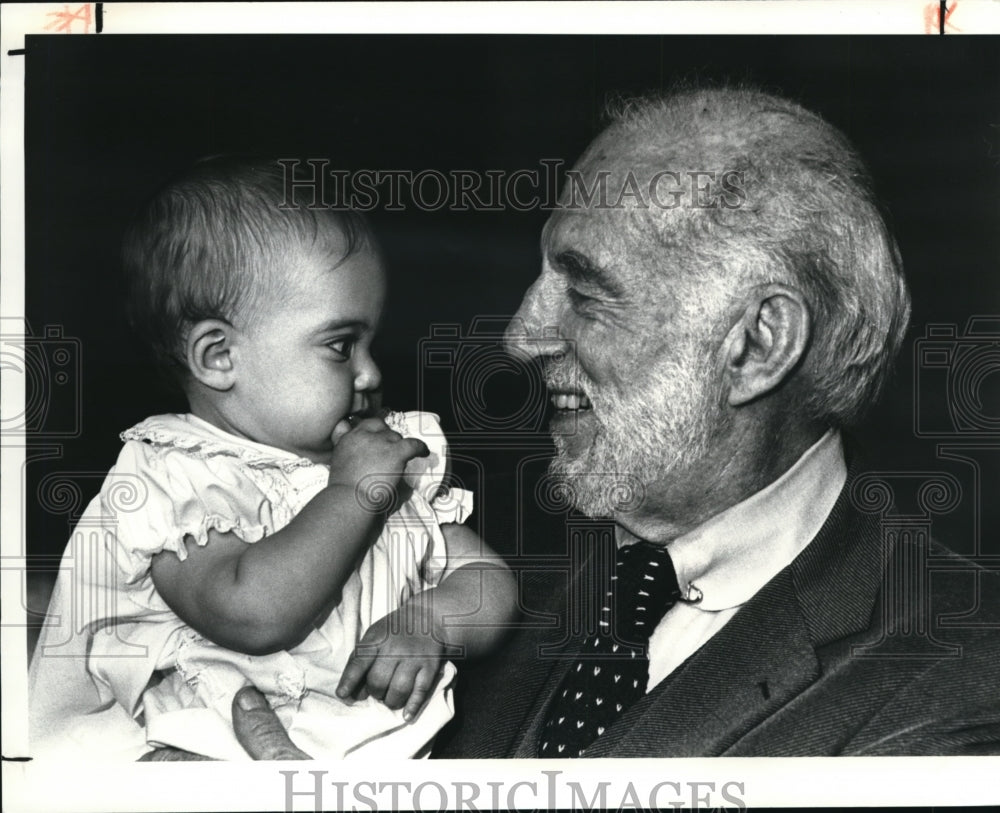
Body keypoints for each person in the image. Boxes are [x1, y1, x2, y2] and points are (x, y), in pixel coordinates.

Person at [226, 85, 1000, 759]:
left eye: (587, 293)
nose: (520, 336)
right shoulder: (473, 583)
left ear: (759, 344)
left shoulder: (961, 670)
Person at [27, 157, 517, 761]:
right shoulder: (176, 478)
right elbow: (253, 612)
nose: (372, 373)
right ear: (218, 357)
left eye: (372, 342)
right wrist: (351, 495)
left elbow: (487, 580)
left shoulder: (381, 456)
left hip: (385, 754)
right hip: (212, 760)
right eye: (341, 346)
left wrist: (432, 620)